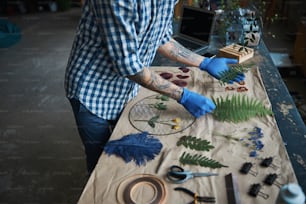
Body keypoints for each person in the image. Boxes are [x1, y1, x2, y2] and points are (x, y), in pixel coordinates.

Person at [64, 0, 244, 173]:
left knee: (126, 152)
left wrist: (204, 62)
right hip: (92, 91)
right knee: (101, 161)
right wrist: (184, 95)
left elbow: (162, 38)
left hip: (125, 88)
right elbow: (128, 65)